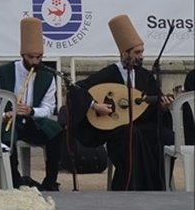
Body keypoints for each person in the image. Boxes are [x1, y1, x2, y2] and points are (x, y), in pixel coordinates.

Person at [68, 13, 174, 191]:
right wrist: (95, 105)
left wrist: (162, 107)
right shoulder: (108, 74)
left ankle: (159, 187)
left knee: (166, 136)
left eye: (142, 52)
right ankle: (127, 188)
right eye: (137, 53)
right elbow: (76, 89)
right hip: (117, 130)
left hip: (141, 125)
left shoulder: (144, 76)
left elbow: (152, 103)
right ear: (124, 53)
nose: (141, 57)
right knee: (132, 135)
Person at [0, 16, 63, 191]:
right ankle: (14, 181)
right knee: (7, 140)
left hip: (32, 122)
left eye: (39, 57)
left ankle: (50, 182)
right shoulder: (4, 72)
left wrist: (31, 111)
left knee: (57, 133)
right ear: (23, 55)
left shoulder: (47, 77)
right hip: (9, 122)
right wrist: (2, 114)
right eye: (31, 57)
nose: (35, 61)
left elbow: (48, 108)